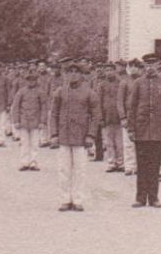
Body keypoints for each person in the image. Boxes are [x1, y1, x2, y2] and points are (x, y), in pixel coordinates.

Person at [125, 54, 161, 208]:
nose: (150, 67)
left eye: (153, 64)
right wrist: (131, 128)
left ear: (158, 64)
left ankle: (153, 197)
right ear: (144, 66)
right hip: (141, 130)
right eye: (148, 64)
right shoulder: (138, 83)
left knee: (155, 165)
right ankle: (140, 198)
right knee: (141, 165)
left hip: (158, 130)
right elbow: (132, 106)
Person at [49, 62, 99, 212]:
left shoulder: (89, 92)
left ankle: (77, 199)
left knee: (80, 170)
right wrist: (54, 134)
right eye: (70, 72)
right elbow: (54, 114)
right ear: (66, 74)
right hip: (64, 135)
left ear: (81, 74)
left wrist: (91, 135)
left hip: (81, 136)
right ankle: (65, 199)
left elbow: (96, 115)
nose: (73, 74)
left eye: (76, 72)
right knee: (64, 170)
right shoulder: (60, 92)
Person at [10, 64, 48, 172]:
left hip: (35, 121)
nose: (31, 82)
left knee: (35, 143)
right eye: (29, 80)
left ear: (36, 81)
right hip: (24, 120)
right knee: (24, 143)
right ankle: (24, 162)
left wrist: (42, 121)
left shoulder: (40, 92)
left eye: (33, 80)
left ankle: (33, 162)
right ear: (26, 81)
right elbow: (15, 106)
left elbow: (44, 107)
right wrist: (16, 121)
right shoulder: (21, 92)